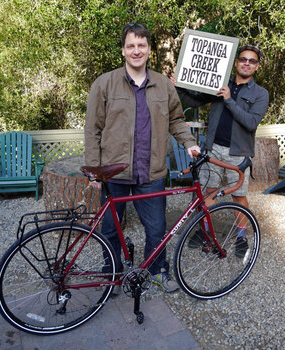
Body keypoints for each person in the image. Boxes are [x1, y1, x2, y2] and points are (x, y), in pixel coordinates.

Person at [84, 23, 200, 292]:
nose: (136, 51)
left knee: (157, 229)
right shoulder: (104, 84)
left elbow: (177, 120)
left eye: (141, 45)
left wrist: (189, 143)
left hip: (152, 172)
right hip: (115, 173)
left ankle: (156, 271)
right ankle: (112, 274)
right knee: (111, 230)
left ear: (149, 49)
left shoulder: (163, 85)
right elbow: (93, 130)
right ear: (123, 50)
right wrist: (94, 171)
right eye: (131, 46)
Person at [172, 45, 269, 257]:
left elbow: (251, 122)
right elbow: (195, 100)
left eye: (252, 61)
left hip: (238, 152)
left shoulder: (260, 93)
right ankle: (205, 231)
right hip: (212, 148)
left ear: (256, 66)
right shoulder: (220, 83)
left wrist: (229, 100)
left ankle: (241, 235)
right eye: (243, 59)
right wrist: (179, 87)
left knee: (239, 196)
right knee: (209, 191)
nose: (246, 63)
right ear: (236, 63)